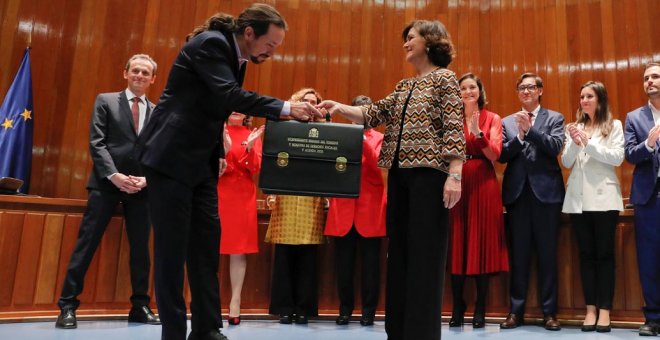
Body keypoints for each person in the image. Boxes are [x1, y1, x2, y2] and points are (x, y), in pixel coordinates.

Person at [136, 4, 322, 340]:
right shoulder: (212, 44)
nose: (272, 52)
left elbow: (214, 109)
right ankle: (174, 333)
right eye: (271, 44)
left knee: (206, 249)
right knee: (171, 252)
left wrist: (219, 151)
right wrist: (287, 108)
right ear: (249, 33)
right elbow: (229, 96)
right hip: (170, 159)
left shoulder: (237, 56)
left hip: (202, 163)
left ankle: (207, 330)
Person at [318, 19, 464, 340]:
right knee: (399, 255)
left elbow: (454, 129)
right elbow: (372, 113)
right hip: (399, 176)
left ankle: (421, 333)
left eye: (411, 38)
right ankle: (397, 331)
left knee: (426, 256)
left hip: (430, 176)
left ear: (430, 41)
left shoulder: (445, 79)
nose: (405, 44)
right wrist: (338, 107)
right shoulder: (403, 86)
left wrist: (455, 174)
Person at [55, 54, 160, 329]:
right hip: (106, 184)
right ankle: (67, 306)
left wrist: (147, 179)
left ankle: (140, 306)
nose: (139, 75)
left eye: (145, 72)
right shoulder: (105, 100)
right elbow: (97, 142)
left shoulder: (158, 110)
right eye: (135, 70)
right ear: (125, 73)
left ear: (153, 79)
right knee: (86, 244)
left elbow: (159, 152)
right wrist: (114, 176)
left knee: (141, 250)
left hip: (141, 188)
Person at [498, 72, 565, 331]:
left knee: (548, 256)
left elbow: (555, 147)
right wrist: (520, 137)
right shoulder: (506, 122)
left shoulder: (555, 118)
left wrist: (531, 130)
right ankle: (516, 312)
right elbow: (502, 155)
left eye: (531, 87)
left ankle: (550, 313)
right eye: (522, 88)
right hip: (517, 196)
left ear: (540, 91)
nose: (526, 91)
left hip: (547, 195)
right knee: (519, 256)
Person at [561, 81, 623, 333]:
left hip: (604, 198)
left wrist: (588, 142)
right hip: (578, 200)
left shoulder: (614, 125)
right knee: (586, 255)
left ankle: (605, 310)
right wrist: (576, 141)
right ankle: (590, 309)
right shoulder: (574, 127)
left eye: (589, 96)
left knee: (604, 255)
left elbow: (617, 158)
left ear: (600, 99)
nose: (584, 100)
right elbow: (566, 162)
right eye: (582, 96)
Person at [448, 73, 508, 329]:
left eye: (472, 87)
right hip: (456, 181)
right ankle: (458, 306)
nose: (468, 91)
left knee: (481, 243)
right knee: (457, 243)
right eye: (463, 88)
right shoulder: (450, 118)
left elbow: (495, 154)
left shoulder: (492, 118)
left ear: (480, 91)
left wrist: (477, 134)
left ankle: (481, 307)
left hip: (483, 183)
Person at [265, 88, 327, 325]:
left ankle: (304, 308)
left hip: (312, 201)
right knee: (284, 257)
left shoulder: (325, 133)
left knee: (308, 258)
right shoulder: (283, 130)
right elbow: (272, 162)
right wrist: (270, 191)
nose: (311, 105)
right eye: (306, 101)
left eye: (314, 102)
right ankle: (284, 308)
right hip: (286, 200)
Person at [324, 95, 386, 327]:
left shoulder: (381, 138)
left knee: (371, 267)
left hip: (370, 211)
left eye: (365, 110)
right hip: (343, 209)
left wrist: (361, 139)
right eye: (357, 110)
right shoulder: (340, 137)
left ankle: (368, 311)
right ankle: (345, 309)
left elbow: (379, 165)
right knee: (344, 266)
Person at [217, 112, 264, 326]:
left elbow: (255, 168)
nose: (236, 110)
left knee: (238, 249)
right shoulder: (216, 129)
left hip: (242, 194)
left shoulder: (252, 134)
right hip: (216, 193)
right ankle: (209, 302)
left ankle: (235, 303)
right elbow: (206, 167)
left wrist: (249, 147)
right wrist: (224, 150)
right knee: (209, 248)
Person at [624, 62, 660, 337]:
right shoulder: (634, 117)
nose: (650, 81)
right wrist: (648, 144)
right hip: (649, 196)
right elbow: (630, 155)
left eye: (655, 76)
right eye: (646, 78)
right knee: (649, 259)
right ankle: (654, 317)